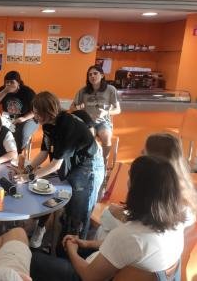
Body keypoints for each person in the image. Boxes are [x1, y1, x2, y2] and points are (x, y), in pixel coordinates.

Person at [30, 155, 187, 281]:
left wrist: (73, 251)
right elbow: (128, 251)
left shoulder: (129, 235)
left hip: (86, 275)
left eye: (130, 178)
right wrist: (87, 243)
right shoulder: (177, 225)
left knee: (31, 257)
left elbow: (88, 276)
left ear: (138, 191)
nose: (127, 181)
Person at [26, 91, 104, 246]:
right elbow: (44, 151)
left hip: (88, 166)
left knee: (78, 213)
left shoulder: (67, 125)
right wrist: (27, 168)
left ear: (48, 111)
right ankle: (63, 243)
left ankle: (75, 251)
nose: (35, 117)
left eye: (37, 113)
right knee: (67, 209)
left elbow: (56, 164)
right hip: (73, 164)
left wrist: (30, 176)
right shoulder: (48, 124)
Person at [96, 132, 197, 240]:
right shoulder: (181, 189)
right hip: (151, 239)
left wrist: (120, 215)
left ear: (155, 159)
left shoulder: (166, 192)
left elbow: (150, 226)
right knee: (107, 219)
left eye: (144, 153)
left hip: (150, 242)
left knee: (107, 220)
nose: (140, 154)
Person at [71, 65, 121, 165]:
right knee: (90, 136)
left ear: (102, 75)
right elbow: (71, 109)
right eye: (90, 75)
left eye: (95, 73)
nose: (92, 76)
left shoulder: (110, 89)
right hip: (88, 122)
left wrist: (106, 112)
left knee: (106, 136)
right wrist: (78, 108)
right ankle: (90, 162)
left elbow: (118, 110)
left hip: (103, 122)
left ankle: (103, 161)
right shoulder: (83, 91)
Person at [0, 71, 38, 154]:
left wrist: (23, 118)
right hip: (9, 118)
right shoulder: (3, 90)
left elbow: (36, 110)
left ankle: (16, 153)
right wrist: (4, 92)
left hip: (29, 118)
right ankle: (2, 152)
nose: (9, 85)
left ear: (18, 83)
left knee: (22, 132)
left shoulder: (27, 92)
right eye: (6, 82)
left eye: (12, 82)